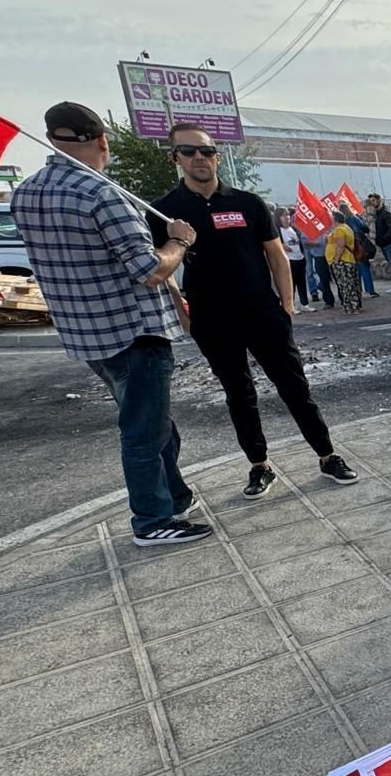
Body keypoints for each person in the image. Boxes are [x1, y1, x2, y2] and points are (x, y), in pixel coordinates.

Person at [11, 102, 210, 548]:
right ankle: (152, 519)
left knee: (154, 422)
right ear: (102, 142)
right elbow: (150, 269)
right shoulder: (101, 195)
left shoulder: (25, 193)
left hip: (87, 334)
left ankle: (174, 495)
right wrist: (179, 241)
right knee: (143, 431)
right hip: (133, 331)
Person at [152, 123, 358, 496]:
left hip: (263, 312)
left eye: (206, 151)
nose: (199, 158)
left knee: (295, 387)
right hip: (211, 319)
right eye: (188, 151)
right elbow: (160, 266)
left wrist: (287, 304)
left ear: (216, 156)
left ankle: (327, 456)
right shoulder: (166, 211)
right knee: (239, 393)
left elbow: (276, 256)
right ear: (175, 158)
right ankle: (259, 465)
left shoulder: (247, 203)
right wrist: (180, 308)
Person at [326, 209, 364, 313]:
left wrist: (336, 260)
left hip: (343, 261)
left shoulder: (339, 230)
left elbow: (340, 245)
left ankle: (351, 307)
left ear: (335, 219)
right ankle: (354, 305)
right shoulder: (346, 227)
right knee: (351, 284)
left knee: (346, 285)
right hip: (349, 260)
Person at [277, 208, 314, 312]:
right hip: (289, 260)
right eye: (283, 216)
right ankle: (291, 305)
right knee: (291, 284)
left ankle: (304, 304)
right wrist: (281, 245)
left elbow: (300, 243)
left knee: (302, 282)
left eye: (288, 215)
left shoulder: (293, 229)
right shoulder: (278, 231)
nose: (287, 218)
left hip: (299, 258)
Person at [366, 193, 391, 295]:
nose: (372, 203)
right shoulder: (378, 214)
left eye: (373, 201)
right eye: (371, 201)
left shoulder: (385, 213)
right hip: (383, 244)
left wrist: (384, 239)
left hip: (389, 243)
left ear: (378, 200)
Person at [342, 206, 377, 297]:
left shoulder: (342, 223)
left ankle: (358, 291)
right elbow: (366, 228)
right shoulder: (355, 218)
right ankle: (370, 291)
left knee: (354, 270)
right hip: (359, 246)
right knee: (364, 268)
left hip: (349, 248)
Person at [300, 222, 334, 309]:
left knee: (335, 278)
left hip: (332, 255)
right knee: (324, 279)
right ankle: (328, 301)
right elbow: (304, 241)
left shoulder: (329, 225)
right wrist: (315, 243)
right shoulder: (308, 227)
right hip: (320, 256)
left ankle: (343, 299)